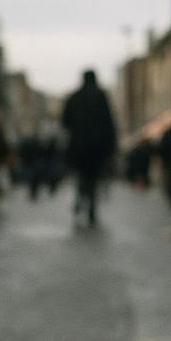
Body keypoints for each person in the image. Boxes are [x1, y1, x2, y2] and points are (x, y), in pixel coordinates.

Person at [61, 69, 117, 226]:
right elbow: (108, 123)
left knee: (81, 176)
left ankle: (80, 199)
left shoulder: (74, 97)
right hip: (97, 148)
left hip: (78, 146)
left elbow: (65, 122)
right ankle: (91, 209)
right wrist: (111, 147)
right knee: (93, 178)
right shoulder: (101, 96)